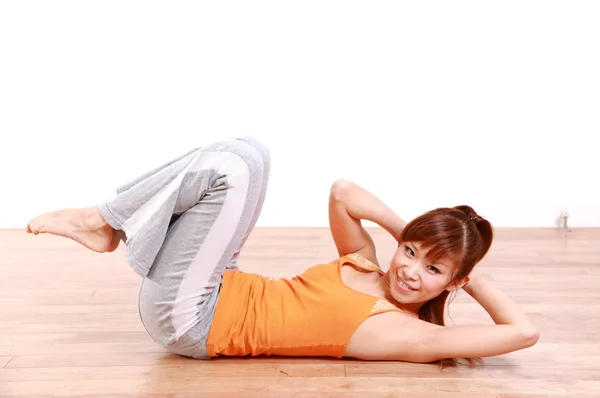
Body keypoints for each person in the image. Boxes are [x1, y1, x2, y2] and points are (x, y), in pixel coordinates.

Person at [26, 136, 539, 367]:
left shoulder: (405, 331)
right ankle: (105, 221)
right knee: (250, 153)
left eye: (431, 271)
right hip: (214, 287)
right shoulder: (364, 260)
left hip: (191, 320)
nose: (409, 272)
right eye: (408, 253)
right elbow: (343, 191)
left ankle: (102, 221)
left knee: (237, 165)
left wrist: (465, 273)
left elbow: (524, 332)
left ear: (452, 284)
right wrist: (423, 238)